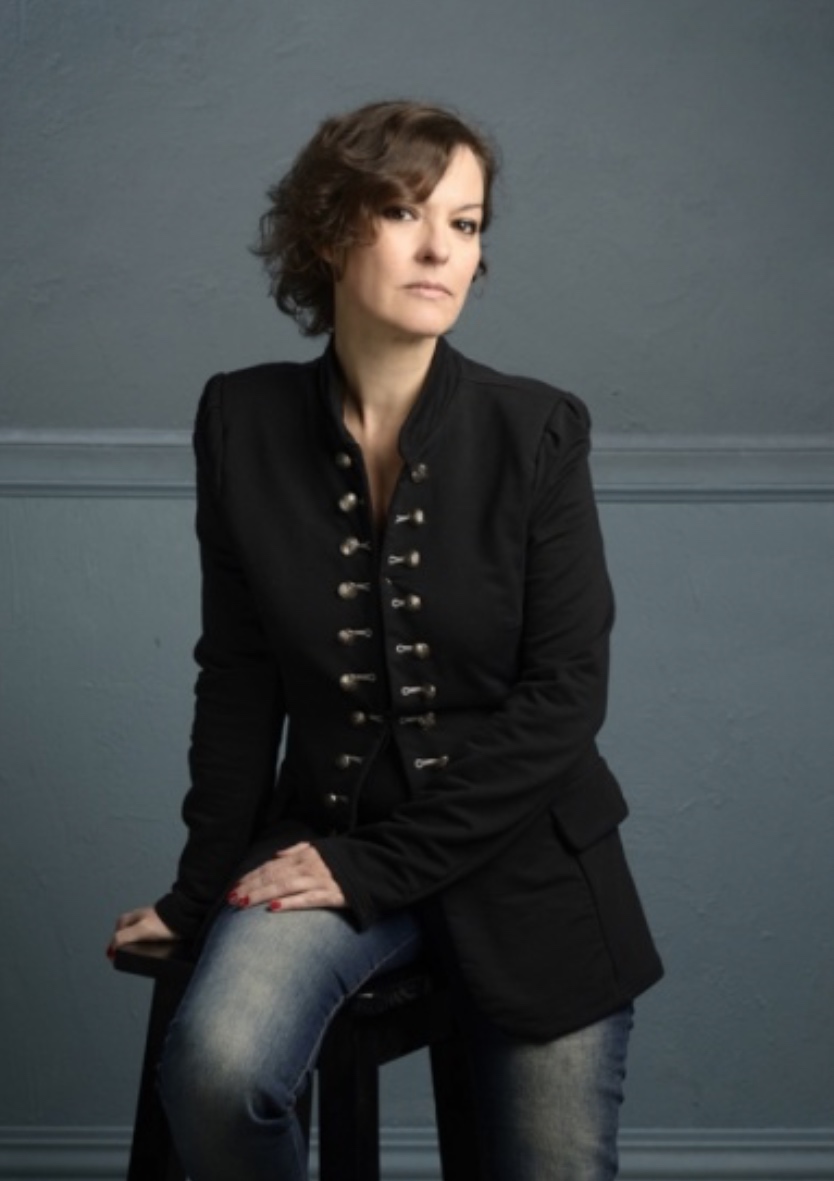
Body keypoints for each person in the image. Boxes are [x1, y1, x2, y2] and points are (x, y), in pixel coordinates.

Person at [107, 98, 663, 1181]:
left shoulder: (538, 429)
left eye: (466, 223)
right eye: (406, 212)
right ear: (328, 232)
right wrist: (198, 893)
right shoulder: (240, 421)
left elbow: (565, 694)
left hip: (529, 865)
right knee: (216, 1074)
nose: (441, 249)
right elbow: (239, 679)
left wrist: (373, 863)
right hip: (324, 837)